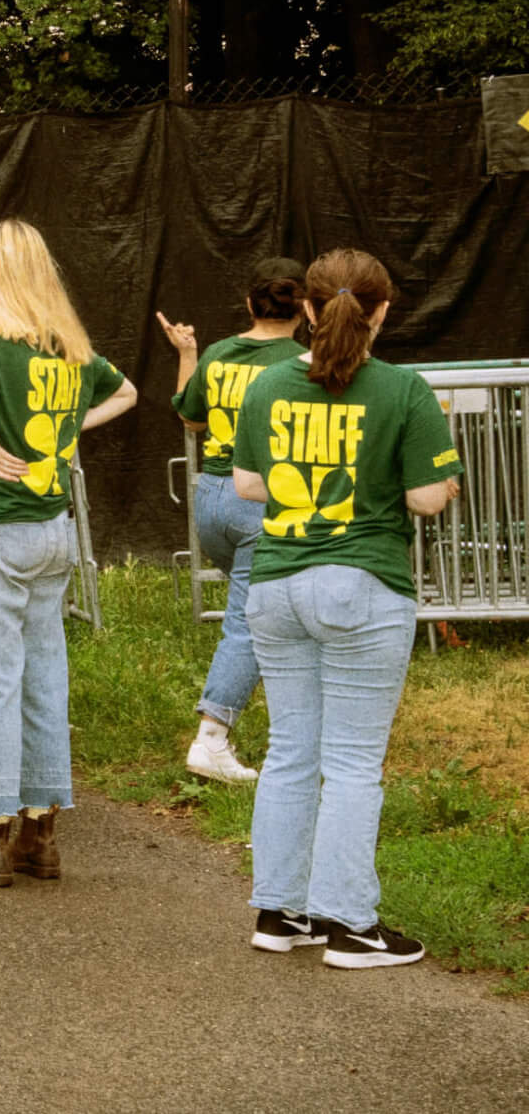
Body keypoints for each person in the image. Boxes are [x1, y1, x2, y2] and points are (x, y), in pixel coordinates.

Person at [232, 248, 461, 969]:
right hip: (361, 584)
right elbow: (427, 497)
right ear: (384, 310)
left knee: (291, 751)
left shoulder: (267, 387)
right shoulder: (403, 390)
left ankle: (281, 911)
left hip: (275, 586)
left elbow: (245, 485)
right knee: (354, 764)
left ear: (305, 308)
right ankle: (350, 926)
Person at [0, 220, 138, 885]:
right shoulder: (68, 351)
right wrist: (68, 434)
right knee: (45, 676)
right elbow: (126, 393)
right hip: (53, 530)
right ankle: (41, 835)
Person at [156, 257, 307, 785]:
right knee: (250, 624)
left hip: (211, 501)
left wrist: (189, 354)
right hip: (262, 501)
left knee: (271, 613)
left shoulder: (219, 353)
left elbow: (190, 417)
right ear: (306, 309)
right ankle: (212, 737)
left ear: (249, 303)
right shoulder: (303, 362)